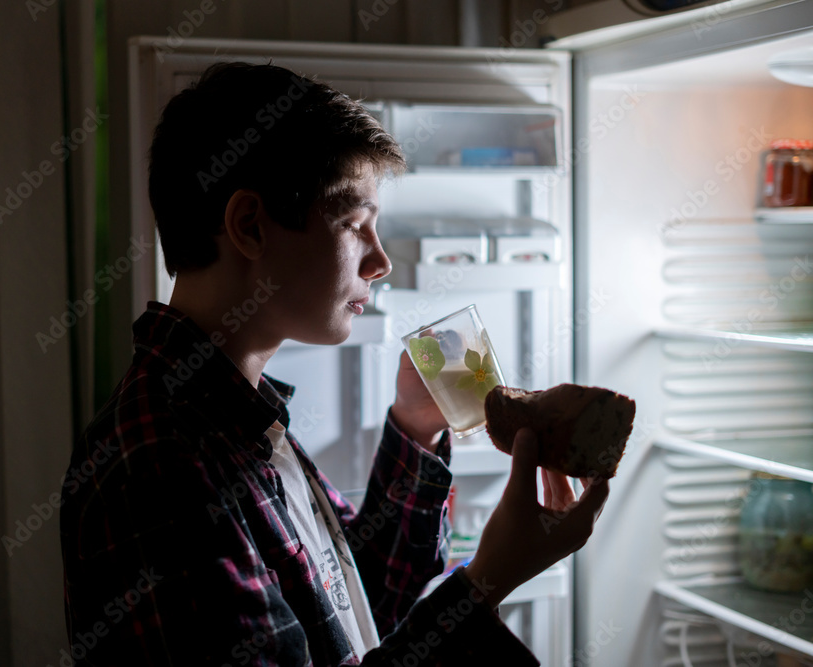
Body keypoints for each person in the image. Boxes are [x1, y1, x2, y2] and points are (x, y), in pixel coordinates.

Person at [59, 61, 610, 666]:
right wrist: (487, 582)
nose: (380, 262)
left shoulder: (239, 420)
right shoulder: (160, 467)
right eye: (354, 224)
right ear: (249, 226)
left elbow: (355, 602)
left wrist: (416, 428)